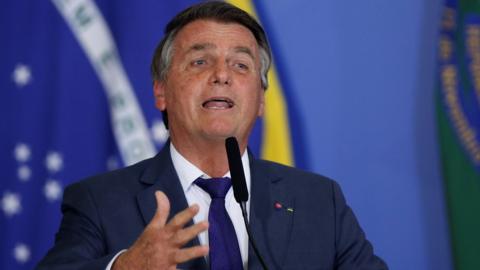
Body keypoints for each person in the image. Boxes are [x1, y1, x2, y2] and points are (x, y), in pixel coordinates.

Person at [37, 1, 388, 269]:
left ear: (261, 100)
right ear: (161, 91)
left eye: (241, 64)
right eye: (200, 62)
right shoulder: (100, 202)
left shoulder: (318, 200)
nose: (222, 75)